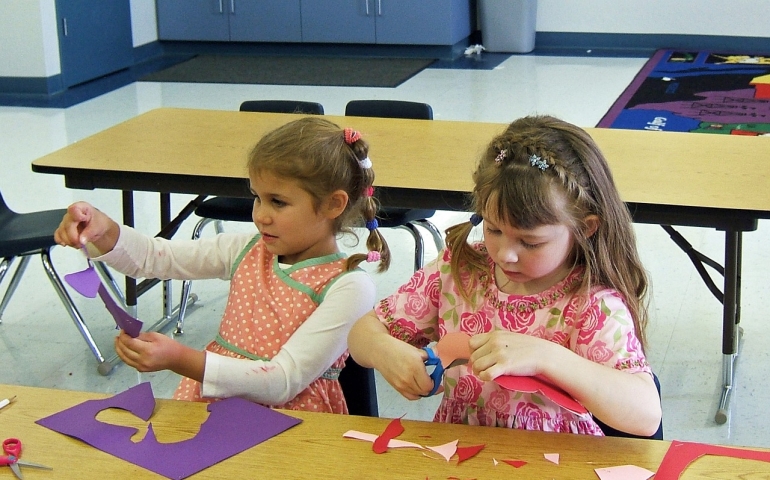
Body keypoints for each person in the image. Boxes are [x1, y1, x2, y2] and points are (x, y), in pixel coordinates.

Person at [348, 115, 662, 436]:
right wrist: (383, 351)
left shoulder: (591, 303)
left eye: (530, 241)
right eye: (494, 229)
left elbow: (646, 415)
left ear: (585, 227)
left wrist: (548, 357)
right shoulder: (461, 269)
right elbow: (361, 334)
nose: (505, 254)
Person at [55, 117, 390, 414]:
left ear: (334, 204)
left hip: (292, 425)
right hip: (212, 411)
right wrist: (103, 227)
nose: (260, 214)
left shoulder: (349, 286)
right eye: (257, 197)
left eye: (278, 201)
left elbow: (281, 382)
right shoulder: (246, 249)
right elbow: (154, 258)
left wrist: (179, 359)